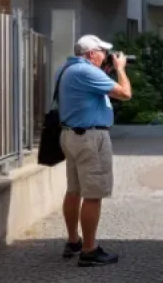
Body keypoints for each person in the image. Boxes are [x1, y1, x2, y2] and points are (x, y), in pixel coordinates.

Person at [56, 34, 132, 267]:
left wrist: (106, 69)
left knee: (74, 190)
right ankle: (89, 250)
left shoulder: (68, 69)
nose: (106, 56)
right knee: (93, 194)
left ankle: (73, 241)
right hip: (90, 138)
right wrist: (120, 69)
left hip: (72, 136)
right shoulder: (87, 72)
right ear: (91, 54)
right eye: (102, 52)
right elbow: (125, 94)